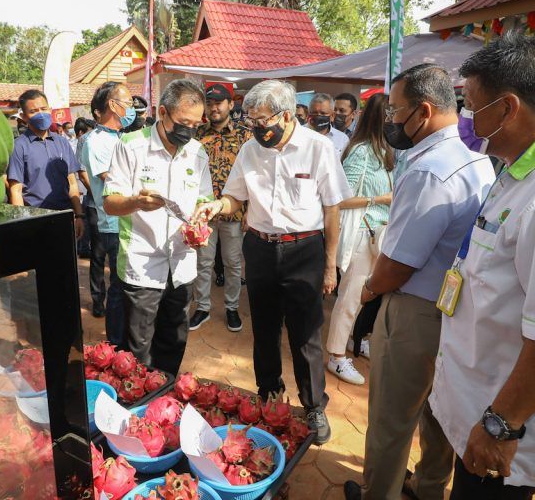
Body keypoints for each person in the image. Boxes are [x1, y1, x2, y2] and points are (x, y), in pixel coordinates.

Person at [428, 33, 535, 500]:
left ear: (506, 109)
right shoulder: (520, 167)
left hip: (506, 433)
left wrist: (502, 426)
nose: (465, 118)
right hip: (481, 403)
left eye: (471, 105)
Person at [343, 64, 495, 500]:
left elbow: (398, 264)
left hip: (414, 310)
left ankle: (380, 493)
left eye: (394, 111)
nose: (390, 120)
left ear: (423, 111)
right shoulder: (477, 158)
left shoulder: (429, 170)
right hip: (456, 308)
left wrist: (369, 290)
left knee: (392, 417)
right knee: (441, 412)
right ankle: (428, 487)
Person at [193, 79, 351, 445]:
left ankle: (313, 405)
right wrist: (218, 206)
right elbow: (235, 197)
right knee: (264, 328)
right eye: (250, 121)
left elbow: (332, 209)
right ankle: (269, 393)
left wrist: (330, 265)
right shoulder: (250, 149)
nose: (255, 128)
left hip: (305, 249)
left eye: (261, 121)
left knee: (306, 333)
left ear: (284, 115)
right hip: (260, 247)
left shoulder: (318, 148)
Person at [103, 79, 212, 375]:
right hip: (142, 265)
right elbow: (110, 203)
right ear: (162, 112)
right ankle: (137, 409)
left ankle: (164, 401)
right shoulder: (132, 146)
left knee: (173, 342)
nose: (188, 131)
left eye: (195, 124)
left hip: (182, 266)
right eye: (182, 122)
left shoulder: (198, 153)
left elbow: (204, 200)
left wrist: (202, 222)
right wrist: (135, 202)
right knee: (138, 350)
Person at [326, 93, 393, 385]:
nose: (396, 120)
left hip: (379, 234)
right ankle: (336, 357)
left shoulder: (385, 150)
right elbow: (341, 199)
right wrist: (382, 198)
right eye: (391, 114)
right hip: (362, 234)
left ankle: (355, 342)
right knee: (351, 297)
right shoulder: (362, 151)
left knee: (366, 297)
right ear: (382, 118)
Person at [189, 83, 252, 332]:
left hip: (233, 211)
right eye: (210, 103)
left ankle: (232, 308)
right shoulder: (196, 135)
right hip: (203, 210)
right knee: (203, 263)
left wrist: (250, 210)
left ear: (230, 104)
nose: (214, 107)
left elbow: (252, 175)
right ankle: (202, 308)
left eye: (219, 103)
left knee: (233, 263)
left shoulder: (245, 136)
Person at [81, 82, 135, 344]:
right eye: (129, 102)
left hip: (129, 222)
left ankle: (124, 337)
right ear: (113, 105)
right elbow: (113, 179)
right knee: (118, 287)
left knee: (127, 286)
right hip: (114, 225)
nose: (132, 107)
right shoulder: (97, 141)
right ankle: (116, 344)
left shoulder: (120, 137)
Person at [7, 89, 84, 239]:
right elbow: (15, 191)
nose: (41, 114)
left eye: (43, 109)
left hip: (64, 217)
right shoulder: (19, 146)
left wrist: (79, 215)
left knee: (65, 262)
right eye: (34, 111)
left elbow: (72, 183)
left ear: (50, 110)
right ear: (23, 117)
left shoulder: (62, 142)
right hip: (35, 220)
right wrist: (22, 224)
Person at [75, 117, 96, 259]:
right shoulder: (82, 142)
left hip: (89, 193)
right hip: (85, 193)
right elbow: (81, 174)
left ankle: (83, 246)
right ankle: (83, 247)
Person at [307, 93, 350, 159]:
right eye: (314, 112)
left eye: (323, 113)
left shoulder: (343, 139)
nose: (318, 116)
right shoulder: (298, 133)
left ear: (332, 116)